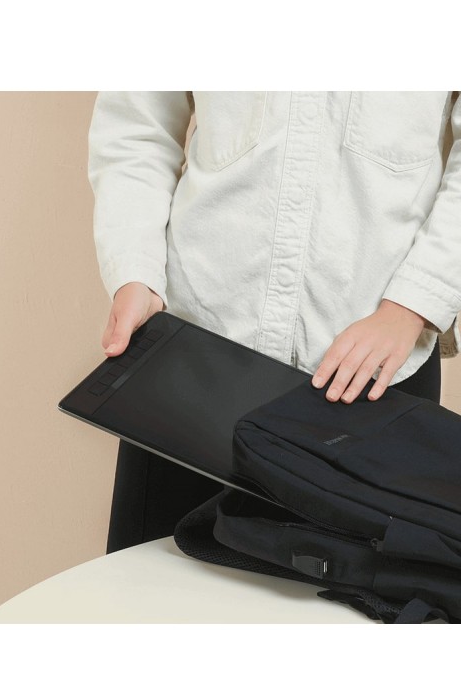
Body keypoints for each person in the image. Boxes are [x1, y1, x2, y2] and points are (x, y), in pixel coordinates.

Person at [88, 91, 461, 553]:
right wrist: (136, 273)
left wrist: (413, 303)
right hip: (195, 353)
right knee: (151, 590)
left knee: (359, 592)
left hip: (377, 369)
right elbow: (135, 126)